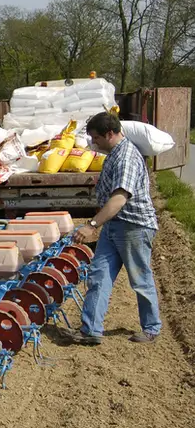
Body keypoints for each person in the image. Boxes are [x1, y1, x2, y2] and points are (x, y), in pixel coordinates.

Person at [68, 111, 162, 345]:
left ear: (110, 134)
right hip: (114, 225)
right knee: (99, 275)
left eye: (97, 138)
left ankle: (151, 328)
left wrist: (91, 225)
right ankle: (90, 330)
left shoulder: (126, 157)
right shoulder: (115, 153)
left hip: (134, 227)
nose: (94, 143)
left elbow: (119, 198)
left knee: (140, 278)